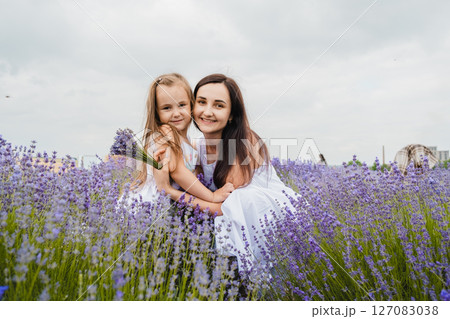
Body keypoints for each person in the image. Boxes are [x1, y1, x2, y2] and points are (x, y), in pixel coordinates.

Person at [154, 74, 297, 271]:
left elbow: (225, 209)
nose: (207, 111)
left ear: (231, 114)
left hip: (261, 220)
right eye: (202, 102)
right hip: (230, 223)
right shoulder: (198, 148)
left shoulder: (245, 142)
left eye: (219, 105)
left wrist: (168, 190)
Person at [121, 73, 234, 206]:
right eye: (167, 108)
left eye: (181, 105)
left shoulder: (187, 141)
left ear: (192, 105)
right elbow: (178, 172)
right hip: (148, 203)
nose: (176, 113)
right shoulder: (165, 132)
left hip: (170, 203)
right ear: (157, 112)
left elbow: (193, 176)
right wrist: (212, 196)